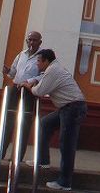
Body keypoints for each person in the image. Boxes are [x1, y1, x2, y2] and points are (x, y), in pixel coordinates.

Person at [22, 49, 87, 192]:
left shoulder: (53, 70)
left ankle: (65, 182)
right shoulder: (53, 69)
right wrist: (33, 80)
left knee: (66, 144)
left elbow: (39, 91)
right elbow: (41, 78)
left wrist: (28, 86)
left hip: (72, 109)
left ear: (46, 61)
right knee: (45, 123)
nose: (37, 64)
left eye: (39, 61)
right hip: (68, 108)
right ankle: (42, 161)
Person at [0, 31, 43, 162]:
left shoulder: (42, 57)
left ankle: (17, 156)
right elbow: (14, 72)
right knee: (7, 120)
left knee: (24, 123)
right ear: (27, 41)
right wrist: (8, 71)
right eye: (30, 40)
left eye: (35, 40)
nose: (32, 42)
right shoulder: (21, 54)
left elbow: (43, 75)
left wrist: (30, 82)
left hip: (29, 92)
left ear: (40, 42)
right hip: (16, 89)